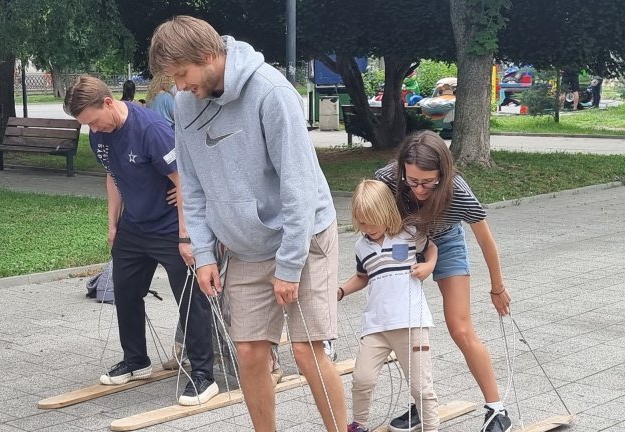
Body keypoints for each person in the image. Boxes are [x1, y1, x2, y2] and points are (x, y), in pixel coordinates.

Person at [149, 15, 346, 432]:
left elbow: (299, 187)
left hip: (302, 236)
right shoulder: (186, 104)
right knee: (251, 354)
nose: (180, 86)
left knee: (308, 351)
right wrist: (203, 254)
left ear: (207, 56)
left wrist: (289, 266)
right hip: (245, 247)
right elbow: (194, 186)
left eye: (182, 75)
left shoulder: (272, 93)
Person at [63, 75, 218, 406]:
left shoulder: (150, 129)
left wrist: (186, 236)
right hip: (133, 226)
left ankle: (204, 374)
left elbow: (183, 180)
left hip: (168, 227)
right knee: (125, 292)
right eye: (86, 125)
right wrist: (113, 224)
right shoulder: (98, 134)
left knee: (190, 299)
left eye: (93, 121)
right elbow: (113, 176)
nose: (94, 129)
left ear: (108, 103)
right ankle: (136, 360)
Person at [375, 130, 513, 432]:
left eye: (429, 181)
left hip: (447, 241)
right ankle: (422, 403)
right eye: (413, 181)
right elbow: (371, 215)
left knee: (460, 328)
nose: (420, 189)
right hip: (406, 241)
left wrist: (497, 287)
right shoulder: (387, 178)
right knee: (404, 327)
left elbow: (486, 241)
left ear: (443, 172)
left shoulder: (457, 191)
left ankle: (497, 410)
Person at [340, 180, 439, 432]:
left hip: (411, 323)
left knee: (420, 387)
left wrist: (428, 266)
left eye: (372, 221)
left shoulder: (409, 234)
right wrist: (340, 291)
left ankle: (431, 428)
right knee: (361, 378)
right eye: (361, 222)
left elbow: (432, 250)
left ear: (387, 212)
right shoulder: (361, 246)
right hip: (376, 326)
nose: (366, 227)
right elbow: (363, 276)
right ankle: (359, 424)